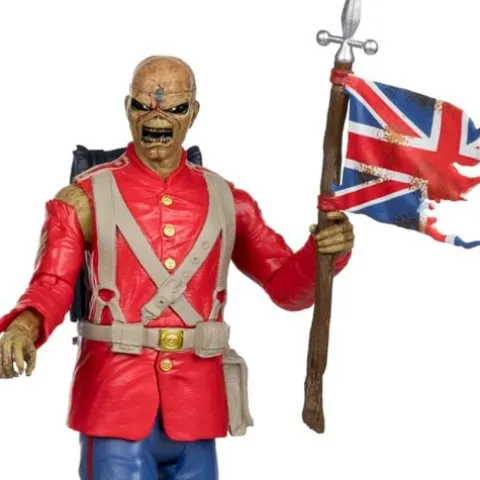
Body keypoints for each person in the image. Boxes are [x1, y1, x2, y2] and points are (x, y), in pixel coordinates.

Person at [0, 56, 354, 480]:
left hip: (197, 410)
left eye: (174, 108)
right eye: (143, 105)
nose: (157, 118)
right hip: (114, 403)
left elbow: (285, 288)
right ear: (127, 107)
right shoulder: (83, 198)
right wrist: (24, 327)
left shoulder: (228, 201)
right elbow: (52, 282)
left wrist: (324, 254)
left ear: (193, 113)